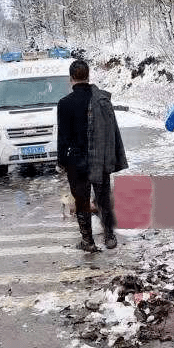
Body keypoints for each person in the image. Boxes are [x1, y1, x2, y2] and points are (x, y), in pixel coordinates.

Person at [57, 60, 128, 252]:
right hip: (100, 159)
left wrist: (61, 161)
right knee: (103, 199)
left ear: (71, 79)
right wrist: (113, 157)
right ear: (88, 76)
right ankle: (110, 237)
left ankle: (88, 241)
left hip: (76, 162)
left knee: (81, 200)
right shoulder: (102, 100)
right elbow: (112, 132)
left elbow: (63, 137)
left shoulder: (64, 104)